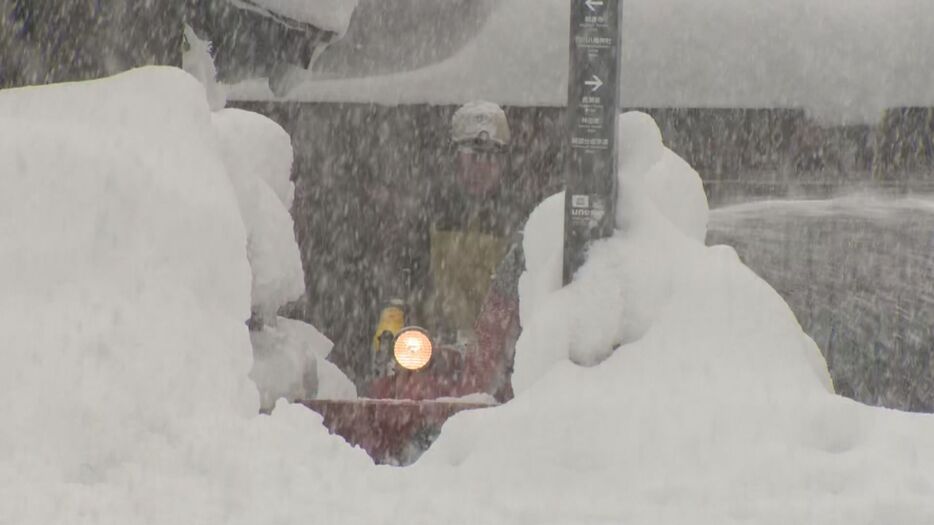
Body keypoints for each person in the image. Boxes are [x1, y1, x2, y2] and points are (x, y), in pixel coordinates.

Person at [367, 101, 526, 401]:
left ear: (502, 163)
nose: (481, 167)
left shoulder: (519, 222)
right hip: (433, 355)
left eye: (490, 158)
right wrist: (392, 317)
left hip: (498, 363)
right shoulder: (427, 215)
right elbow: (403, 276)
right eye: (472, 157)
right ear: (455, 158)